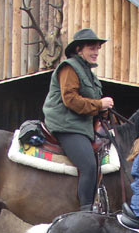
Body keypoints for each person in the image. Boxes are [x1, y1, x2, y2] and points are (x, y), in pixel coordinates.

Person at [42, 28, 115, 211]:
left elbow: (89, 102)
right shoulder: (70, 68)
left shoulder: (88, 72)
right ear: (79, 49)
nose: (96, 52)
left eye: (98, 48)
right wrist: (99, 104)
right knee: (89, 165)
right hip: (66, 125)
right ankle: (86, 211)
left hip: (81, 126)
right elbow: (70, 99)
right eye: (92, 47)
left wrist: (104, 110)